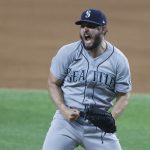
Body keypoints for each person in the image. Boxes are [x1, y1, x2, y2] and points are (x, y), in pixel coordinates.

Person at [42, 9, 132, 150]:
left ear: (103, 29)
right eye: (83, 26)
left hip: (99, 126)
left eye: (90, 26)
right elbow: (53, 82)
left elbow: (123, 94)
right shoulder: (68, 53)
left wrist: (111, 118)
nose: (85, 30)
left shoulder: (119, 60)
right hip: (66, 123)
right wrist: (64, 110)